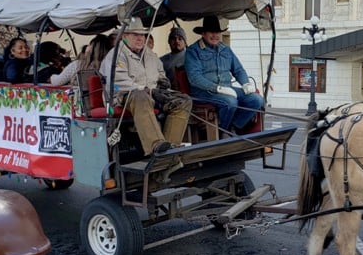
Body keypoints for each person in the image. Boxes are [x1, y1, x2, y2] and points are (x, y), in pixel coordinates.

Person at [100, 26, 192, 156]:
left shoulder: (149, 54)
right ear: (124, 36)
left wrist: (163, 81)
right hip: (124, 98)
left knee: (183, 100)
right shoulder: (116, 55)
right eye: (135, 35)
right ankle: (156, 145)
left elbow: (160, 71)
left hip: (151, 95)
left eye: (143, 35)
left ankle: (170, 148)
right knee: (140, 96)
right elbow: (118, 83)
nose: (140, 38)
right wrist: (147, 91)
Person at [183, 16, 263, 133]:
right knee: (230, 102)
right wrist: (217, 88)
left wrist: (245, 83)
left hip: (227, 89)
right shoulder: (193, 51)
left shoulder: (226, 49)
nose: (215, 35)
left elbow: (238, 70)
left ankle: (234, 127)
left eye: (217, 32)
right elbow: (194, 78)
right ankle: (223, 131)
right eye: (212, 32)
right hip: (203, 92)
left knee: (257, 100)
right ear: (203, 33)